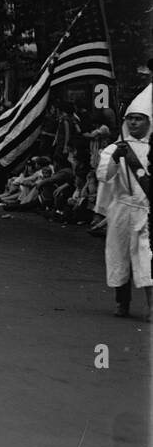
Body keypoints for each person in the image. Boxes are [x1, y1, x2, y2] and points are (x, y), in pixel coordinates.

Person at [95, 84, 151, 319]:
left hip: (145, 211)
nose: (134, 123)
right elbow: (103, 175)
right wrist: (116, 159)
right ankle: (122, 302)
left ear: (148, 122)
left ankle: (151, 307)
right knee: (119, 257)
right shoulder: (114, 148)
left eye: (139, 119)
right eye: (131, 119)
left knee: (147, 259)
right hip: (121, 208)